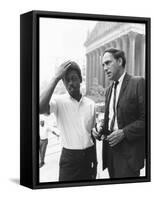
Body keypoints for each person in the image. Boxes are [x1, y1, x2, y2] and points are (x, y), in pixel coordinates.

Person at [40, 61, 97, 181]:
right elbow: (39, 108)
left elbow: (91, 134)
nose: (70, 83)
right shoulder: (58, 102)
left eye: (74, 79)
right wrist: (56, 78)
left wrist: (95, 163)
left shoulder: (91, 104)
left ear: (80, 79)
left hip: (89, 157)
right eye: (66, 80)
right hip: (69, 159)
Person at [93, 48, 145, 178]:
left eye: (108, 63)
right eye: (103, 65)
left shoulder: (138, 83)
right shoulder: (109, 90)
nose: (105, 68)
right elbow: (110, 117)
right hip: (110, 152)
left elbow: (147, 119)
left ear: (120, 61)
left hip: (129, 155)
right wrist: (100, 128)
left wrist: (124, 132)